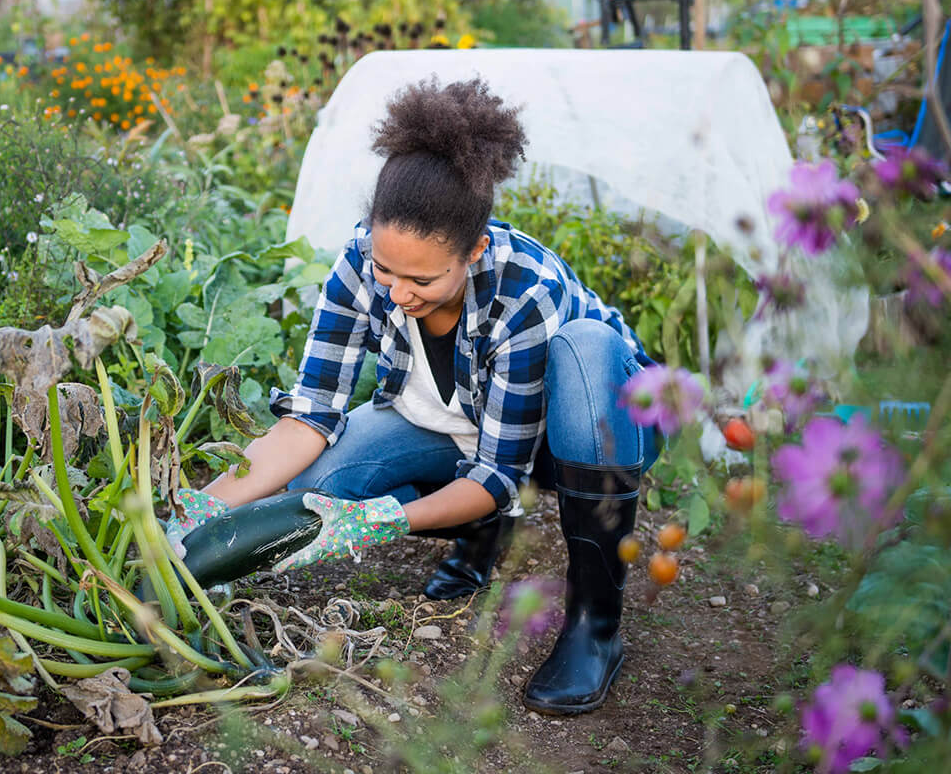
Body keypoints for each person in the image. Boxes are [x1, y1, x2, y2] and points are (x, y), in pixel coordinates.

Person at [170, 76, 659, 715]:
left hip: (582, 429)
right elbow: (310, 418)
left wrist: (386, 518)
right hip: (458, 427)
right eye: (385, 269)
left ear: (474, 250)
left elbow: (499, 472)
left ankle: (595, 629)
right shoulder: (358, 263)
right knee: (322, 482)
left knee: (587, 348)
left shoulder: (525, 290)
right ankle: (480, 536)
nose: (397, 293)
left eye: (422, 278)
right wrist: (195, 515)